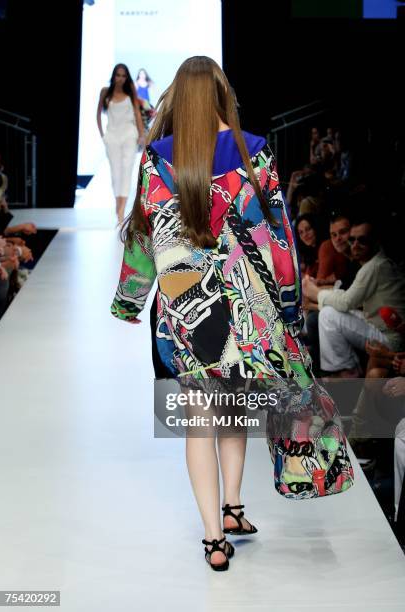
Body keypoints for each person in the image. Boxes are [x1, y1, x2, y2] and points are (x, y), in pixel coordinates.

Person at [110, 56, 352, 571]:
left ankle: (214, 536)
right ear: (222, 95)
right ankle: (235, 505)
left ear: (178, 97)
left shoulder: (159, 157)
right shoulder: (254, 152)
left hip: (186, 312)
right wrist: (288, 304)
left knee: (201, 419)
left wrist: (131, 300)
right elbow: (279, 238)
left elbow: (145, 231)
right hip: (247, 311)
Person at [303, 219, 405, 376]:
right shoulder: (370, 264)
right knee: (325, 314)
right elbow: (347, 294)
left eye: (362, 240)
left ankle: (346, 371)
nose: (355, 245)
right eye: (352, 239)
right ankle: (341, 368)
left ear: (374, 242)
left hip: (390, 339)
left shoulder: (376, 265)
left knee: (327, 315)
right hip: (376, 325)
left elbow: (346, 302)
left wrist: (315, 293)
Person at [97, 64, 145, 224]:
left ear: (127, 77)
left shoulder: (130, 91)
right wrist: (103, 135)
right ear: (113, 76)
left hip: (129, 135)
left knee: (126, 171)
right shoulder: (105, 92)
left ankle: (121, 211)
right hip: (112, 136)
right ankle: (118, 208)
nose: (120, 78)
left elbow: (137, 113)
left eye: (123, 76)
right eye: (118, 75)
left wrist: (141, 134)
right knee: (115, 173)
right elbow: (98, 114)